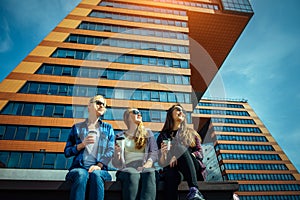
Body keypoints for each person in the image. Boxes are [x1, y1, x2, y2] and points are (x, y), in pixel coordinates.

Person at [64, 95, 115, 200]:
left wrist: (99, 165)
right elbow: (67, 152)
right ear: (89, 106)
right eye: (98, 103)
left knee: (96, 175)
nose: (101, 106)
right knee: (81, 174)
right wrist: (81, 145)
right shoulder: (77, 127)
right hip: (78, 168)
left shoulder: (108, 128)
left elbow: (111, 150)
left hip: (100, 170)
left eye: (104, 105)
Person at [157, 104, 207, 200]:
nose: (181, 112)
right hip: (176, 170)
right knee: (170, 174)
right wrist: (163, 154)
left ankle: (194, 190)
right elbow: (162, 163)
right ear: (170, 114)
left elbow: (200, 153)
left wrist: (182, 156)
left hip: (193, 168)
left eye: (183, 111)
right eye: (178, 109)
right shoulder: (163, 136)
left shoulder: (191, 133)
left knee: (180, 148)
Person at [112, 108, 158, 200]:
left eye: (140, 112)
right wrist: (117, 154)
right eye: (135, 112)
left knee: (150, 172)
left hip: (145, 165)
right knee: (133, 174)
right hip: (127, 168)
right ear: (127, 117)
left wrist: (147, 165)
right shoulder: (120, 137)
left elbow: (154, 152)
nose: (139, 114)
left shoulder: (147, 133)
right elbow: (116, 164)